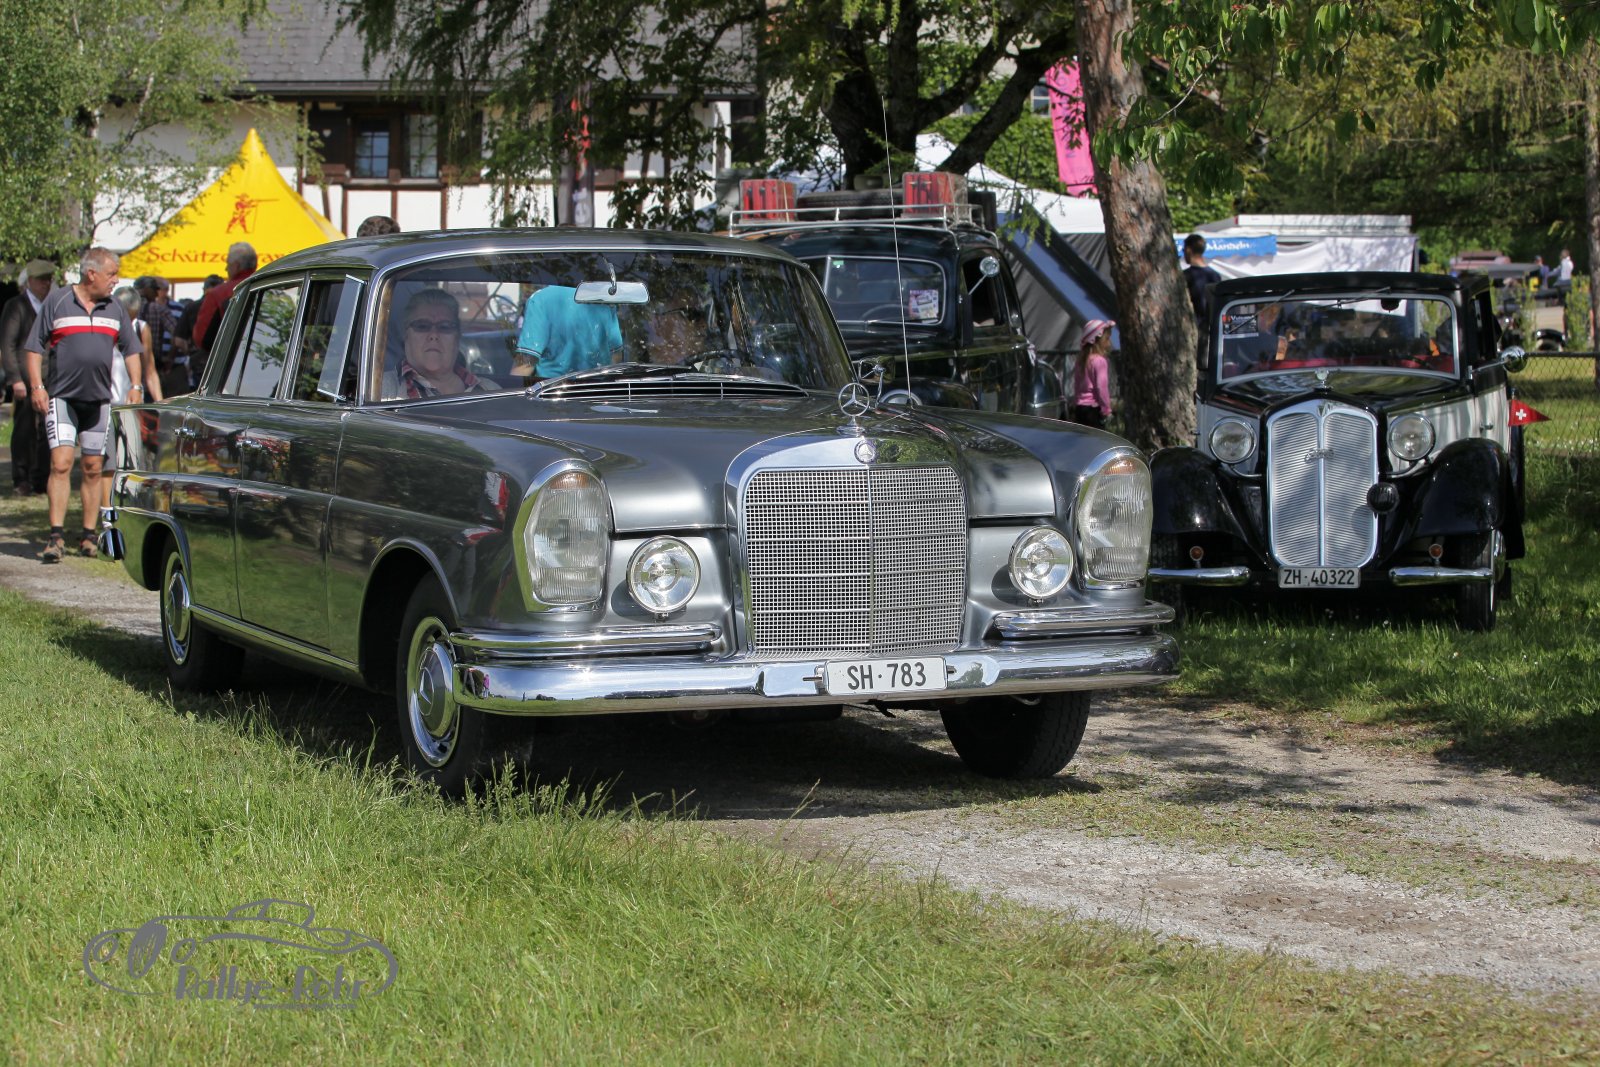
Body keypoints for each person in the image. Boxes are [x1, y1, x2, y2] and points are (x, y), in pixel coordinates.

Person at [23, 247, 143, 562]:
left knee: (92, 467)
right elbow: (34, 347)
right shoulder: (58, 300)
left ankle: (89, 536)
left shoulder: (115, 307)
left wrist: (136, 385)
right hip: (62, 398)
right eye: (111, 274)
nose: (116, 280)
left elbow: (132, 349)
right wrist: (37, 387)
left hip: (99, 401)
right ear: (92, 274)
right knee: (61, 463)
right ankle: (55, 536)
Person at [380, 289, 496, 399]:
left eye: (444, 327)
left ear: (457, 338)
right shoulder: (381, 391)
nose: (434, 335)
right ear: (406, 335)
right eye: (422, 326)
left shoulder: (490, 391)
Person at [1, 260, 55, 494]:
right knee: (24, 428)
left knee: (47, 428)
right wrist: (15, 379)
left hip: (50, 376)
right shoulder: (17, 306)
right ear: (30, 281)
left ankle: (41, 478)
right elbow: (8, 344)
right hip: (24, 377)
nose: (46, 284)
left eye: (48, 280)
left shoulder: (51, 306)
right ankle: (21, 477)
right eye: (41, 280)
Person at [514, 285, 623, 378]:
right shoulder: (603, 300)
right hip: (599, 389)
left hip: (552, 389)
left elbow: (526, 363)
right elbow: (616, 357)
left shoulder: (540, 299)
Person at [192, 243, 257, 380]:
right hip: (271, 365)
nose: (226, 268)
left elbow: (203, 339)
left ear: (236, 265)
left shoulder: (219, 294)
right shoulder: (276, 289)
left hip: (228, 370)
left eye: (227, 264)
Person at [1183, 233, 1222, 384]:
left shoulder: (1186, 276)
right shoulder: (1215, 276)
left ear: (1188, 250)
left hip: (1194, 330)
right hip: (1213, 331)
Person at [1069, 319, 1114, 429]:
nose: (1109, 342)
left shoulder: (1081, 361)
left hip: (1080, 408)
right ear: (1098, 341)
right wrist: (1106, 410)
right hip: (1093, 409)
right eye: (1107, 338)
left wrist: (1075, 403)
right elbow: (1101, 388)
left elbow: (1077, 385)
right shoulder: (1099, 361)